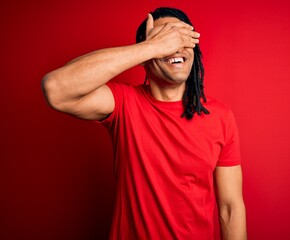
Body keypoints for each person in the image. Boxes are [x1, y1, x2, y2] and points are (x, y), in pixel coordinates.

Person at [42, 7, 247, 240]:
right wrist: (153, 47)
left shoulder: (220, 116)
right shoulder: (123, 103)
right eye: (166, 38)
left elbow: (230, 208)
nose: (176, 46)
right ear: (144, 55)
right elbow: (56, 88)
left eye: (182, 37)